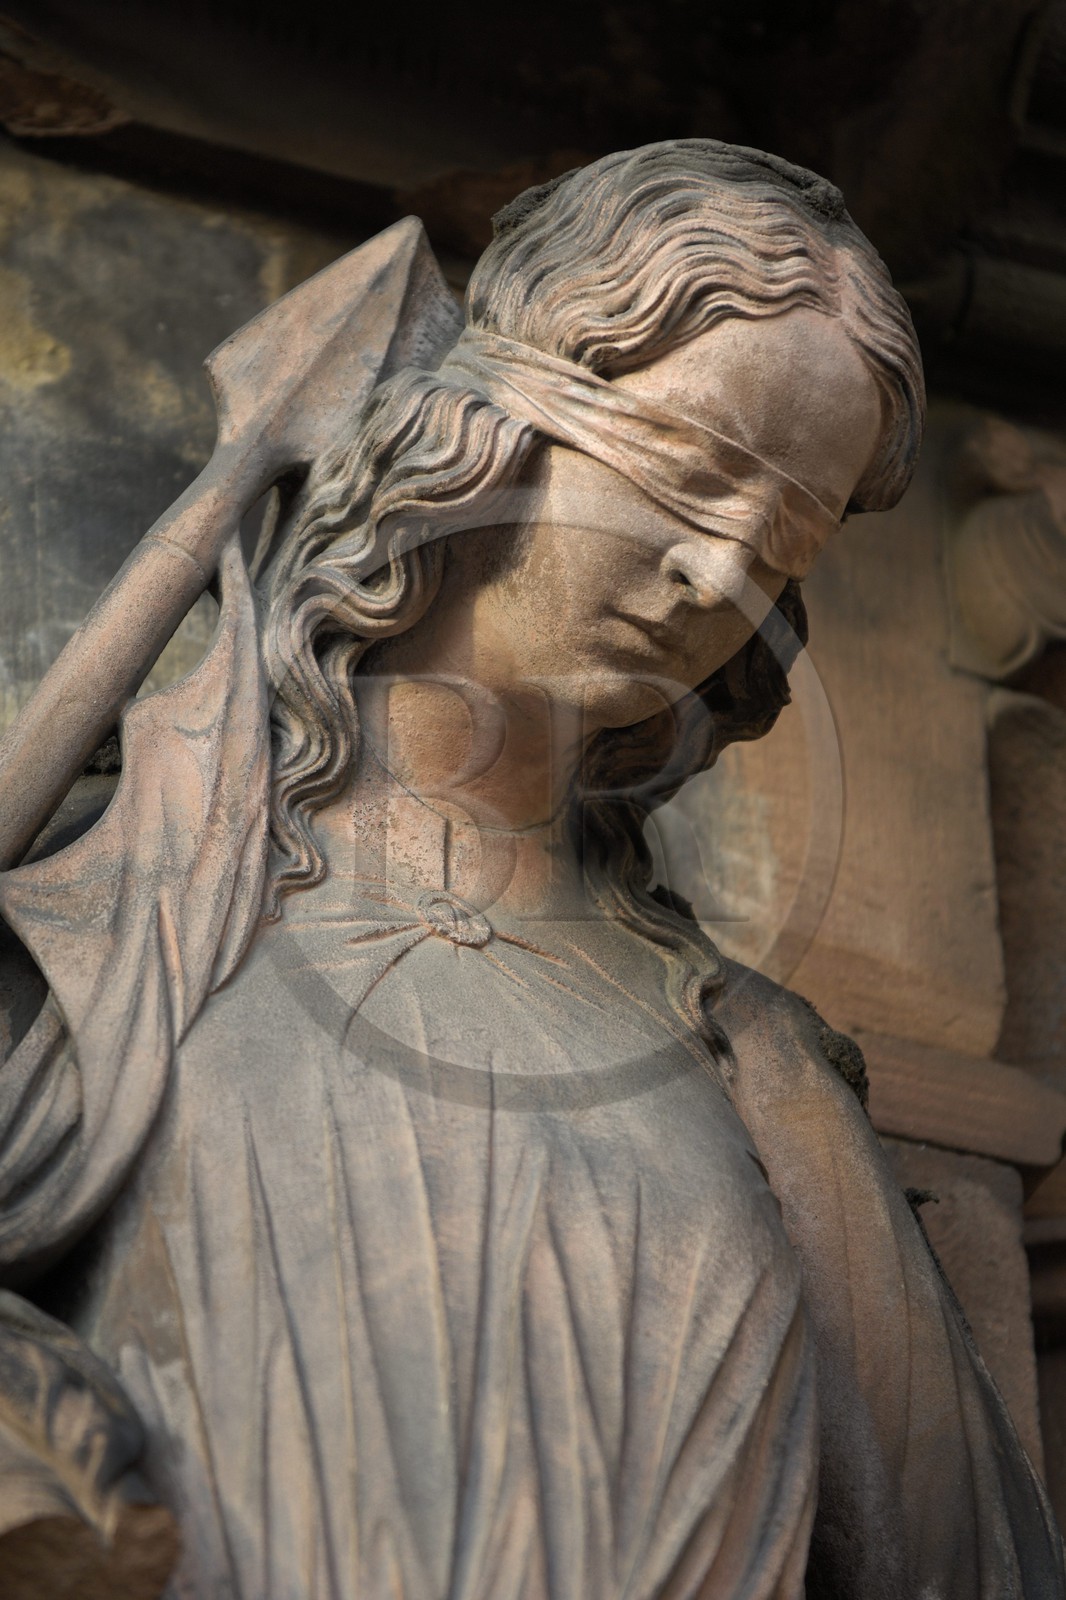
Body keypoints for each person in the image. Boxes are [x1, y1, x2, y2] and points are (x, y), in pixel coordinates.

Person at [0, 139, 1061, 1599]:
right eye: (688, 474)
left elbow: (950, 1558)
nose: (715, 578)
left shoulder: (746, 1063)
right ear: (485, 429)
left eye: (783, 542)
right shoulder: (127, 918)